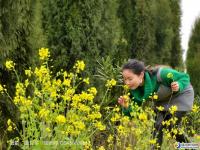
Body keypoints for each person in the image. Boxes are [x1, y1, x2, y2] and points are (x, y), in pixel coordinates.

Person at [118, 59, 194, 149]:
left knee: (172, 128)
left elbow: (184, 77)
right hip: (163, 100)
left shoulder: (162, 74)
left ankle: (192, 147)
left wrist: (178, 85)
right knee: (157, 126)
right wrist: (127, 107)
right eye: (125, 79)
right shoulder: (136, 90)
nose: (127, 83)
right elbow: (134, 112)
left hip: (181, 95)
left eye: (130, 79)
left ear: (141, 75)